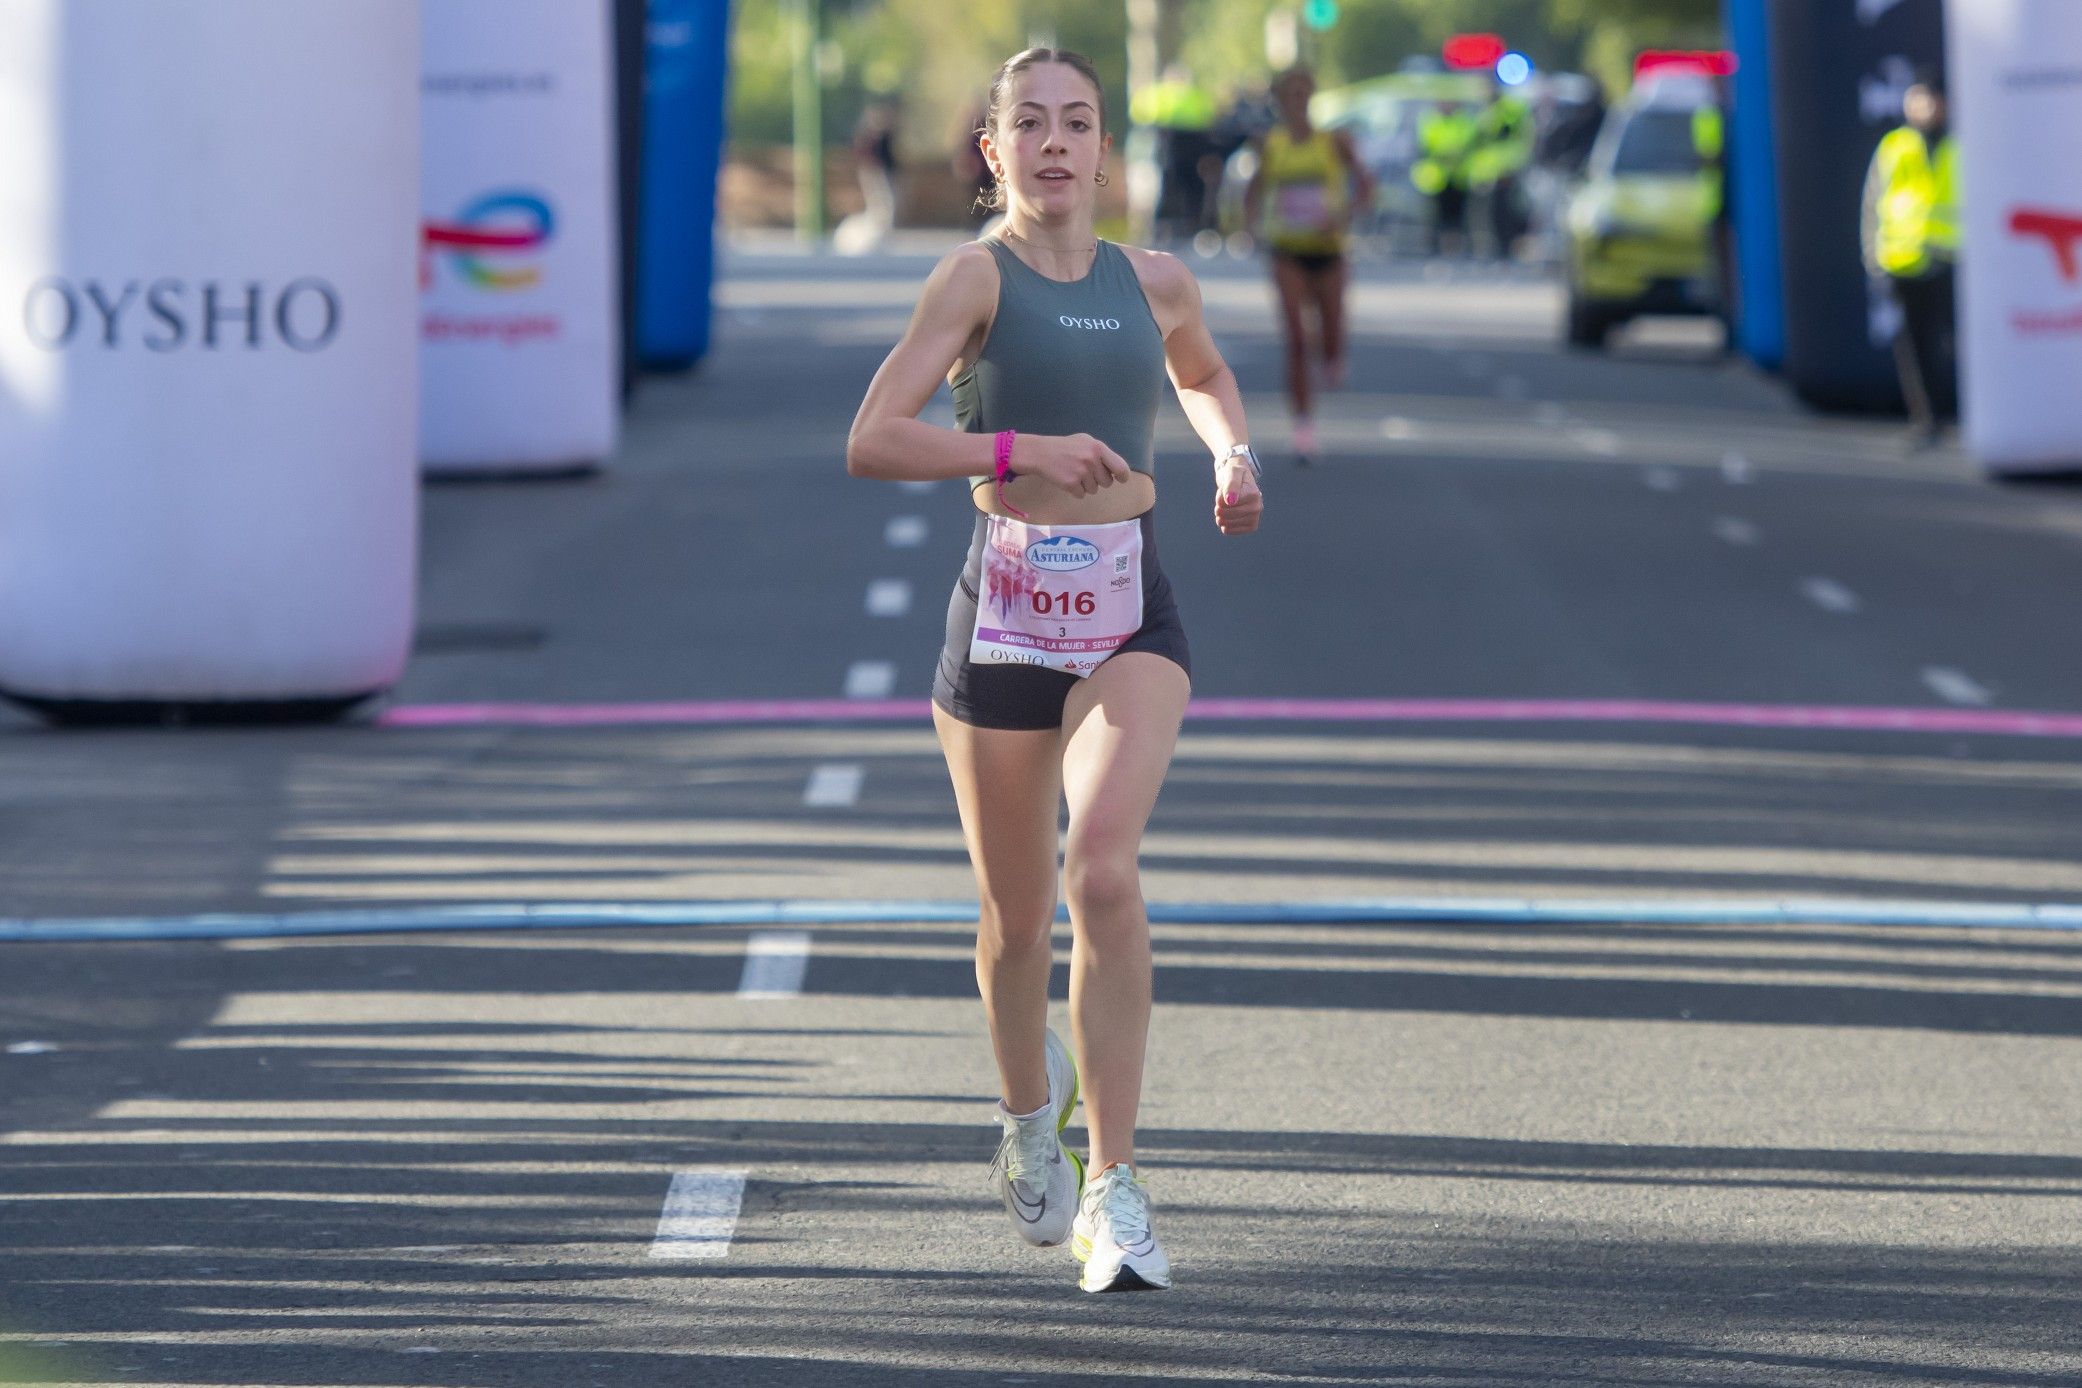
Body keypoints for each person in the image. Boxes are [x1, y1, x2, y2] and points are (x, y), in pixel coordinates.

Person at [846, 46, 1264, 1294]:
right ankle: (1030, 1108)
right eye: (1029, 123)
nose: (1055, 144)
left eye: (1077, 123)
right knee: (1016, 918)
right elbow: (873, 438)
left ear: (1104, 148)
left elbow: (1203, 376)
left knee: (1105, 869)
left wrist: (1232, 454)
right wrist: (1018, 441)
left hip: (1132, 607)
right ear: (995, 151)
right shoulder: (973, 278)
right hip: (1008, 616)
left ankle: (1117, 1184)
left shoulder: (1159, 280)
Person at [1243, 65, 1372, 465]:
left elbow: (1365, 184)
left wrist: (1346, 213)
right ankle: (1303, 429)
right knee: (1298, 340)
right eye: (1289, 95)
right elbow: (1254, 189)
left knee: (1331, 334)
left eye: (1303, 94)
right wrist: (1252, 227)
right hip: (1287, 250)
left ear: (1311, 97)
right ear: (1280, 101)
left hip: (1328, 249)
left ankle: (1333, 358)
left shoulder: (1334, 142)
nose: (1296, 102)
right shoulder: (1271, 145)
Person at [1862, 70, 1959, 443]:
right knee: (1915, 347)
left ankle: (1962, 414)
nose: (1925, 106)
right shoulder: (1895, 146)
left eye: (1931, 98)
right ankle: (1927, 418)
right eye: (1918, 97)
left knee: (1954, 342)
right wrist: (1874, 259)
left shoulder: (1960, 144)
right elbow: (1872, 204)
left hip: (1951, 260)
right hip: (1905, 259)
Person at [1415, 98, 1477, 256]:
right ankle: (1435, 249)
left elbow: (1469, 143)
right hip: (1437, 177)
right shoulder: (1431, 121)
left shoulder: (1463, 121)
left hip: (1458, 176)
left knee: (1459, 216)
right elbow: (1425, 146)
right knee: (1437, 216)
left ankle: (1459, 249)